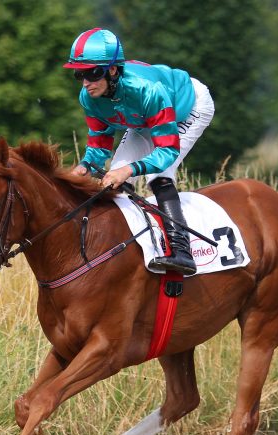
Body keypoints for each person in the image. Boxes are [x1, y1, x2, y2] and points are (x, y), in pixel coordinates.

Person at [64, 28, 215, 276]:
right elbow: (99, 146)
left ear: (112, 70)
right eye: (79, 74)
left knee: (159, 175)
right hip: (146, 118)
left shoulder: (147, 89)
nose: (86, 82)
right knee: (112, 178)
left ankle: (182, 252)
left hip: (187, 106)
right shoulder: (89, 98)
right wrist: (83, 168)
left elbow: (166, 150)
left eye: (92, 73)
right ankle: (122, 246)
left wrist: (129, 169)